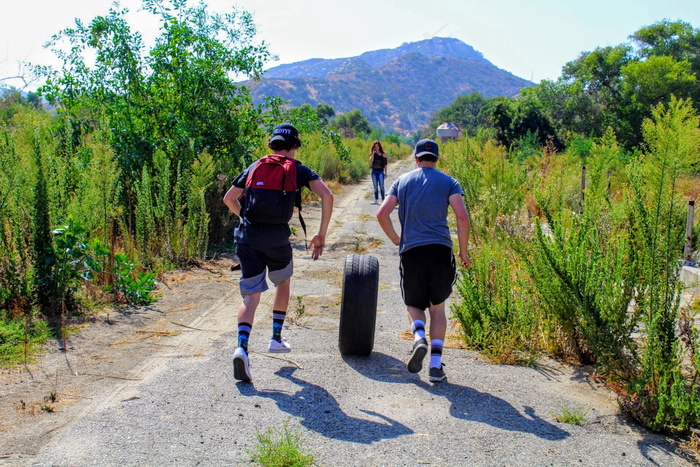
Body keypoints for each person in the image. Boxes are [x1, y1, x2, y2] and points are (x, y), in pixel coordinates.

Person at [223, 123, 334, 382]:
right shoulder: (298, 169)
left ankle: (241, 347)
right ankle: (275, 338)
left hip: (248, 239)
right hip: (277, 239)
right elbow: (327, 196)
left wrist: (246, 218)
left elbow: (229, 198)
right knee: (282, 282)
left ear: (271, 144)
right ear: (295, 146)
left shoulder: (255, 165)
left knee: (250, 296)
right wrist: (320, 234)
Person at [376, 139, 470, 382]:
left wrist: (397, 238)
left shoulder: (402, 181)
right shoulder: (449, 182)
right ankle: (436, 365)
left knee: (414, 304)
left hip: (412, 251)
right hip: (440, 251)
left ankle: (419, 337)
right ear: (436, 159)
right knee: (437, 307)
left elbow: (382, 213)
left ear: (415, 158)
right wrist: (463, 251)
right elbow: (461, 215)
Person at [369, 140, 388, 205]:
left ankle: (383, 200)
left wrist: (386, 173)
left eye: (377, 146)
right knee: (375, 186)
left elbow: (385, 165)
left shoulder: (383, 154)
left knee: (382, 186)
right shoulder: (373, 154)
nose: (376, 147)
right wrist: (373, 153)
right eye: (375, 146)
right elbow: (370, 161)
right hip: (374, 171)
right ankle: (376, 199)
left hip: (380, 171)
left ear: (379, 146)